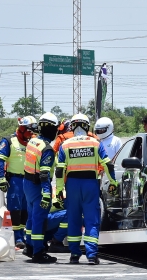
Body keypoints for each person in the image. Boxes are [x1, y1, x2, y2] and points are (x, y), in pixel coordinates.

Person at [56, 113, 118, 265]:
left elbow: (59, 171)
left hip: (72, 185)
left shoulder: (65, 144)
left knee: (73, 219)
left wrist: (59, 190)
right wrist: (113, 182)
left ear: (72, 126)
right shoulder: (95, 143)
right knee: (91, 220)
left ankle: (74, 254)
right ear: (87, 126)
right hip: (90, 183)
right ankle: (91, 255)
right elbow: (107, 164)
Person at [22, 112, 59, 263]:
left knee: (31, 218)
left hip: (28, 183)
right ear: (52, 129)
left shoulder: (33, 142)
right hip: (39, 187)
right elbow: (44, 174)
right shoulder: (47, 149)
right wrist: (46, 193)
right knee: (39, 220)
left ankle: (29, 246)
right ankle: (38, 252)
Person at [0, 116, 36, 249]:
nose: (32, 134)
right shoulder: (9, 141)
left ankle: (24, 236)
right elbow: (0, 160)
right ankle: (17, 237)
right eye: (30, 131)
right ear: (23, 128)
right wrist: (2, 178)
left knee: (27, 209)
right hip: (15, 181)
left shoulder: (33, 141)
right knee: (15, 209)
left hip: (29, 180)